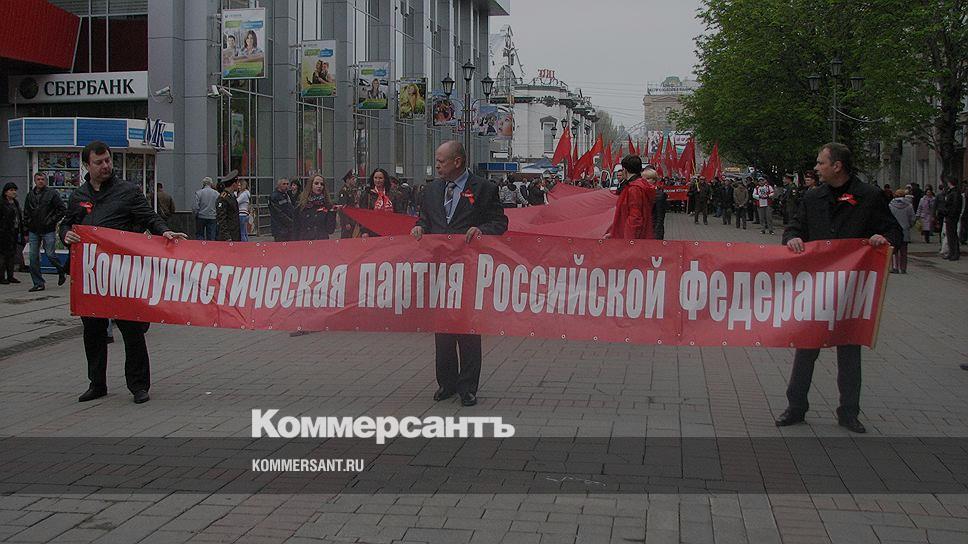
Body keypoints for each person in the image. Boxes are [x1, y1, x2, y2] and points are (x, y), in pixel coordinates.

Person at [776, 143, 901, 434]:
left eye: (821, 163)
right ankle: (796, 407)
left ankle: (849, 413)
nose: (816, 168)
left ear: (837, 166)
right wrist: (792, 238)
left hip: (850, 290)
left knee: (849, 354)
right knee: (806, 350)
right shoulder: (812, 197)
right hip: (817, 288)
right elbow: (794, 227)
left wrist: (882, 238)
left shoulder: (869, 196)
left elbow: (893, 230)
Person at [61, 140, 188, 404]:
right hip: (92, 276)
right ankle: (97, 383)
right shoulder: (78, 196)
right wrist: (66, 235)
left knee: (132, 331)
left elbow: (149, 217)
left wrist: (164, 231)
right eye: (99, 162)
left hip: (123, 275)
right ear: (87, 165)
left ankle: (138, 386)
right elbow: (67, 224)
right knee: (93, 332)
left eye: (108, 160)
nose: (105, 166)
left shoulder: (128, 192)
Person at [411, 141, 508, 407]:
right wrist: (419, 228)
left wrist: (481, 231)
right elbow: (425, 219)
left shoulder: (484, 189)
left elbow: (499, 222)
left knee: (467, 328)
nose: (437, 165)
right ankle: (446, 383)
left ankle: (468, 386)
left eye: (441, 161)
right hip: (440, 269)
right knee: (442, 328)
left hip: (468, 269)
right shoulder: (432, 190)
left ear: (457, 161)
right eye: (437, 160)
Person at [23, 172, 66, 291]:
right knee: (33, 257)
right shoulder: (30, 195)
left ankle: (61, 270)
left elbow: (62, 209)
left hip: (48, 229)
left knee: (50, 254)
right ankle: (38, 283)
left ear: (46, 181)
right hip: (34, 229)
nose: (40, 181)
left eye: (42, 179)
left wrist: (51, 221)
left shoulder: (52, 194)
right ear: (35, 181)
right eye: (38, 179)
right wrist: (26, 227)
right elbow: (26, 212)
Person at [606, 155, 657, 240]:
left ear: (625, 170)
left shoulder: (634, 188)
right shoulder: (639, 185)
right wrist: (613, 232)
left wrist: (629, 241)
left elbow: (635, 217)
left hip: (630, 238)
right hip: (635, 235)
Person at [293, 174, 336, 241]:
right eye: (316, 183)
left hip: (321, 242)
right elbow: (295, 228)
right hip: (305, 242)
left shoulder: (327, 205)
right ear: (311, 185)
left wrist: (332, 212)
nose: (319, 186)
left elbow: (330, 230)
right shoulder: (301, 204)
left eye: (322, 184)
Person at [0, 183, 24, 284]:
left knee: (12, 254)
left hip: (14, 231)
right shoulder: (2, 203)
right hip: (4, 232)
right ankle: (1, 277)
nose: (14, 192)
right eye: (11, 190)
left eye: (14, 190)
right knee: (3, 255)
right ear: (6, 192)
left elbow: (18, 217)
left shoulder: (15, 203)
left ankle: (10, 276)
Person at [889, 189, 915, 273]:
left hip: (894, 230)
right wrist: (909, 225)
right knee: (904, 250)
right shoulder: (909, 206)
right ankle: (903, 268)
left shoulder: (890, 205)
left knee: (894, 250)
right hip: (905, 229)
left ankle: (895, 267)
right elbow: (912, 218)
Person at [215, 172, 241, 242]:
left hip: (235, 234)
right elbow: (221, 219)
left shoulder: (231, 197)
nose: (239, 185)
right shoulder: (223, 198)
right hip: (228, 237)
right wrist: (226, 237)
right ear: (234, 184)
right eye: (237, 183)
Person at [337, 171, 361, 238]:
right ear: (347, 180)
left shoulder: (351, 190)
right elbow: (342, 208)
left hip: (352, 219)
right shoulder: (343, 191)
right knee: (346, 238)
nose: (354, 181)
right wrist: (346, 222)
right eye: (352, 179)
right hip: (347, 220)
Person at [943, 176, 962, 260]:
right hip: (950, 216)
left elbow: (955, 206)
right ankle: (951, 252)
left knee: (952, 235)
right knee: (950, 235)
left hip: (952, 217)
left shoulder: (955, 193)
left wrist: (948, 213)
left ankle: (955, 253)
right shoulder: (951, 192)